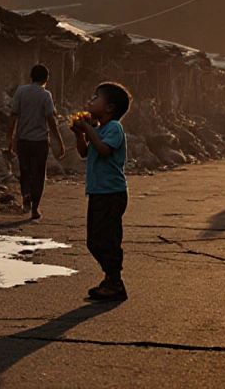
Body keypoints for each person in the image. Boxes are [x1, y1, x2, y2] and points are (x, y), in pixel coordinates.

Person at [70, 82, 131, 302]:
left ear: (109, 108)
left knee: (107, 239)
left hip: (112, 193)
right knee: (94, 240)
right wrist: (80, 134)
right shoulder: (98, 129)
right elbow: (85, 152)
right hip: (98, 192)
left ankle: (115, 283)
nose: (90, 100)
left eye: (96, 98)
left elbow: (105, 150)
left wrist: (88, 130)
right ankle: (110, 278)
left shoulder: (114, 128)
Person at [3, 64, 65, 219]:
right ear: (46, 79)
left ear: (31, 77)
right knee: (39, 174)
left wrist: (8, 140)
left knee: (25, 170)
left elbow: (13, 117)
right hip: (40, 141)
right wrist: (59, 141)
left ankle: (26, 198)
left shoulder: (21, 91)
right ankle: (35, 208)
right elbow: (51, 119)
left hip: (22, 139)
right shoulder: (46, 95)